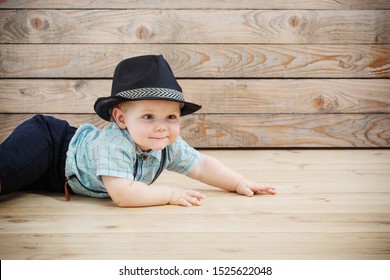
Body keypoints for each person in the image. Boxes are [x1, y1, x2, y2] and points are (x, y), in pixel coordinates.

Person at [0, 55, 275, 207]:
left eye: (170, 117)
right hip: (50, 144)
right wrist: (169, 194)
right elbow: (123, 194)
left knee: (18, 187)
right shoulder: (115, 143)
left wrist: (239, 182)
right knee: (6, 174)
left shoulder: (166, 143)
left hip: (62, 179)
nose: (161, 126)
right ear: (121, 119)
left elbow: (201, 165)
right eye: (148, 116)